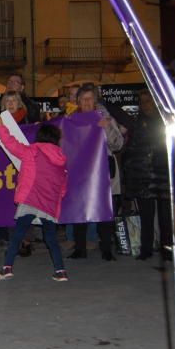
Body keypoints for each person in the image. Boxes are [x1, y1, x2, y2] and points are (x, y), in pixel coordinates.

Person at [0, 118, 69, 282]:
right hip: (48, 203)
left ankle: (7, 268)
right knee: (51, 238)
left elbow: (11, 144)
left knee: (18, 235)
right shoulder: (61, 160)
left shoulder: (32, 151)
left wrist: (0, 127)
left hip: (31, 199)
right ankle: (60, 271)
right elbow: (63, 186)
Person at [68, 85, 123, 259]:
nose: (86, 102)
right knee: (79, 211)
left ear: (95, 100)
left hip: (102, 172)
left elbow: (118, 144)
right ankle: (80, 249)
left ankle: (106, 249)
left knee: (105, 210)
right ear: (78, 101)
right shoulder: (72, 120)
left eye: (90, 98)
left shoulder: (106, 118)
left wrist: (105, 128)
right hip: (80, 172)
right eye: (83, 99)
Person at [120, 91, 172, 261]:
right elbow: (131, 150)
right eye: (143, 102)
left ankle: (167, 249)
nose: (146, 105)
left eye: (148, 101)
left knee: (165, 216)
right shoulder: (138, 124)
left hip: (162, 172)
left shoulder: (165, 122)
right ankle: (146, 248)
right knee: (146, 215)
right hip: (143, 175)